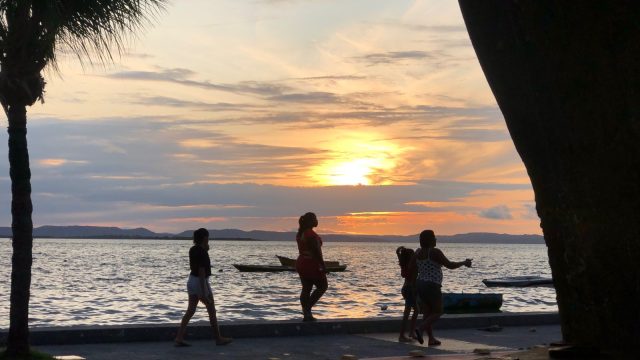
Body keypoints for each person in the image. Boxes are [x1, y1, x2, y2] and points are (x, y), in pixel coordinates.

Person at [410, 230, 472, 346]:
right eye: (434, 237)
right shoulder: (434, 252)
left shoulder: (418, 252)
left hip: (420, 284)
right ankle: (420, 329)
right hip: (432, 284)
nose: (436, 239)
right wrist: (464, 262)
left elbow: (412, 267)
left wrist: (413, 285)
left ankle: (431, 339)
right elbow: (450, 265)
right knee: (438, 311)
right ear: (429, 240)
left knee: (428, 312)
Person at [175, 228, 232, 347]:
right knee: (212, 310)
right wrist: (203, 292)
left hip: (191, 281)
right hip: (200, 282)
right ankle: (218, 338)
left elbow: (196, 265)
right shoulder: (203, 252)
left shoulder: (193, 249)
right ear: (205, 238)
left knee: (190, 310)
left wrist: (205, 249)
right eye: (208, 237)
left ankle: (179, 338)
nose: (209, 239)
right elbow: (201, 271)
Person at [295, 212, 328, 322]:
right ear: (311, 221)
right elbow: (317, 252)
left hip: (301, 263)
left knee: (306, 288)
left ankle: (307, 315)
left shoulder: (301, 233)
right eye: (315, 219)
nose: (317, 220)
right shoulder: (311, 235)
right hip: (311, 264)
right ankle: (307, 309)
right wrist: (323, 265)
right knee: (323, 286)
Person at [396, 246, 419, 342]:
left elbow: (400, 258)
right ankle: (404, 334)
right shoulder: (411, 266)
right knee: (413, 311)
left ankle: (410, 332)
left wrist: (398, 252)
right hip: (409, 289)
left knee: (412, 310)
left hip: (405, 288)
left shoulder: (404, 265)